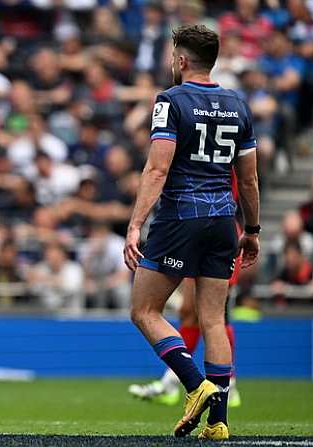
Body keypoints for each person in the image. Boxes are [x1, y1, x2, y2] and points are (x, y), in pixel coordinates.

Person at [123, 25, 260, 441]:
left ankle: (193, 383)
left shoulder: (170, 101)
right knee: (213, 321)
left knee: (144, 310)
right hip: (224, 221)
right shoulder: (238, 104)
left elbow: (158, 168)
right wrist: (251, 229)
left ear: (181, 60)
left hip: (181, 217)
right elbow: (250, 179)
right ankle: (218, 422)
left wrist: (135, 223)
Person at [129, 171, 244, 407]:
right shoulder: (230, 138)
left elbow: (158, 170)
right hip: (215, 222)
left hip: (198, 218)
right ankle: (177, 383)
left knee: (213, 316)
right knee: (191, 313)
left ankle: (224, 385)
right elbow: (248, 178)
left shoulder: (196, 140)